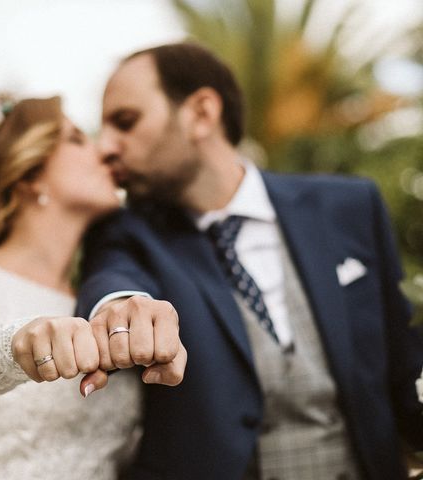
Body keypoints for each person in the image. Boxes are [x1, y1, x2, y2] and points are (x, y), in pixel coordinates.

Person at [76, 42, 423, 479]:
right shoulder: (128, 233)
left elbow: (402, 362)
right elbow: (113, 278)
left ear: (201, 113)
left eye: (125, 122)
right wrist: (120, 308)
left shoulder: (350, 206)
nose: (104, 146)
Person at [0, 94, 185, 480]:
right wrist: (13, 348)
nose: (103, 151)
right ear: (29, 174)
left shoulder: (98, 304)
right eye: (77, 139)